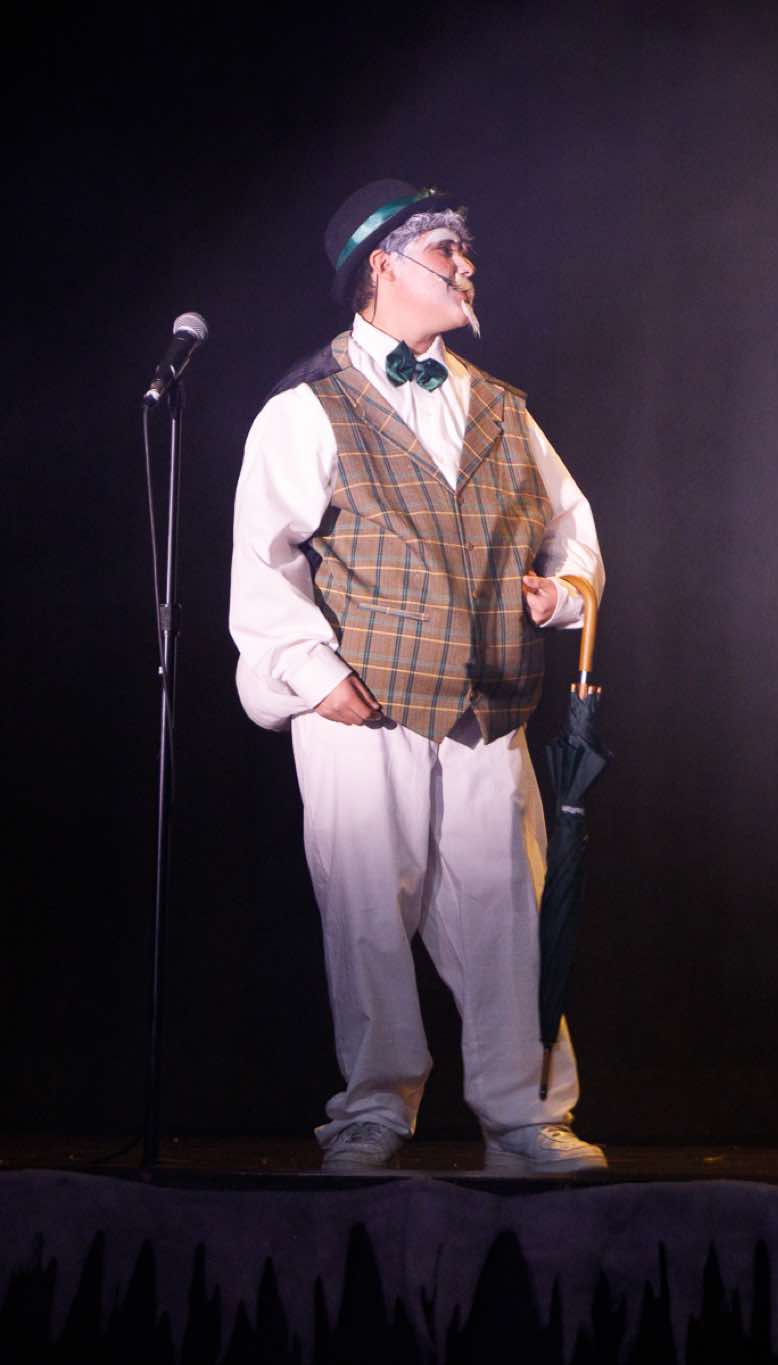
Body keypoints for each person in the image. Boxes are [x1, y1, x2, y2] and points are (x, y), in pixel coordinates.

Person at [229, 179, 607, 1174]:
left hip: (487, 704)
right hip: (366, 704)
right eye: (446, 251)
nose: (466, 267)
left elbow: (572, 527)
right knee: (366, 911)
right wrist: (311, 674)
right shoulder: (306, 409)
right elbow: (262, 557)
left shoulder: (502, 408)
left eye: (464, 251)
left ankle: (523, 1116)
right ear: (382, 266)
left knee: (509, 911)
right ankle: (372, 1110)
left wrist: (561, 592)